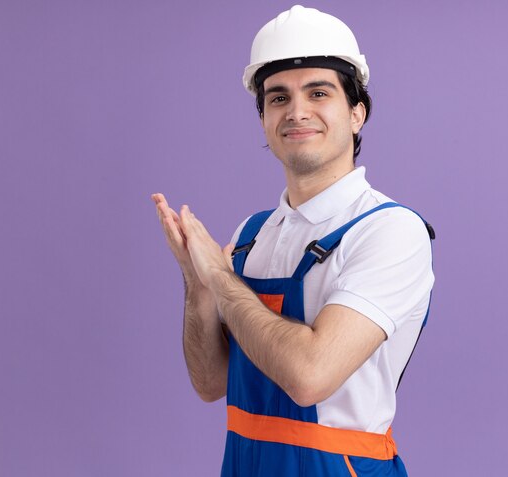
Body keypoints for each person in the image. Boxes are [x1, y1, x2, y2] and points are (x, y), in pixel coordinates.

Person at [152, 5, 435, 476]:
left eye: (318, 92)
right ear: (264, 119)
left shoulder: (390, 231)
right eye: (278, 97)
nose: (297, 111)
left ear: (357, 113)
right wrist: (196, 283)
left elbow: (310, 376)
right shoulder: (251, 235)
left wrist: (221, 278)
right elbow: (209, 382)